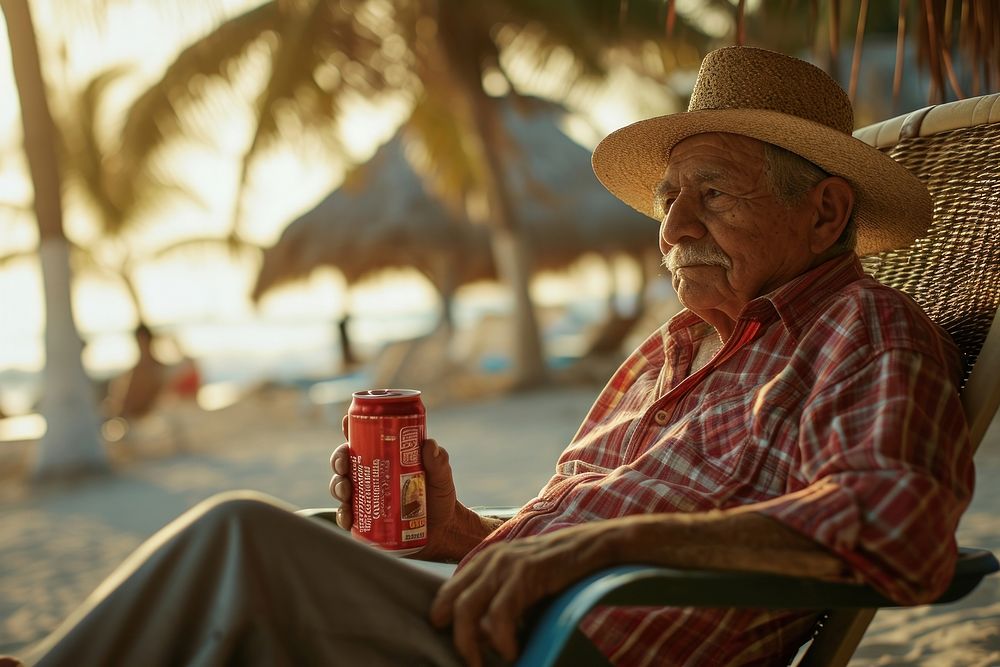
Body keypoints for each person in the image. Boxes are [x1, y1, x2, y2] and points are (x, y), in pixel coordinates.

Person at [22, 47, 974, 666]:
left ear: (825, 211)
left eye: (713, 193)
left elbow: (901, 530)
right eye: (668, 198)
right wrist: (463, 533)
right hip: (502, 622)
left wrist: (607, 545)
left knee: (242, 539)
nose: (674, 224)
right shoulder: (669, 352)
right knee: (240, 573)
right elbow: (572, 535)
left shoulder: (867, 331)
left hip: (567, 652)